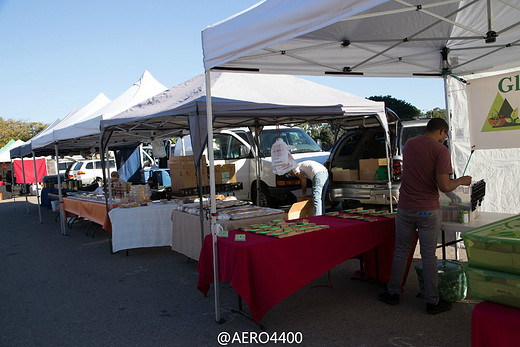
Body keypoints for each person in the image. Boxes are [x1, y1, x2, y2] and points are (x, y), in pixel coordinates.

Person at [378, 118, 472, 315]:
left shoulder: (410, 144)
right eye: (445, 135)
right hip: (427, 210)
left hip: (405, 208)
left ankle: (392, 292)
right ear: (441, 131)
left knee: (401, 251)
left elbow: (418, 173)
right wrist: (461, 181)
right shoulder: (440, 151)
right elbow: (444, 185)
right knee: (428, 255)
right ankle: (432, 302)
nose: (445, 139)